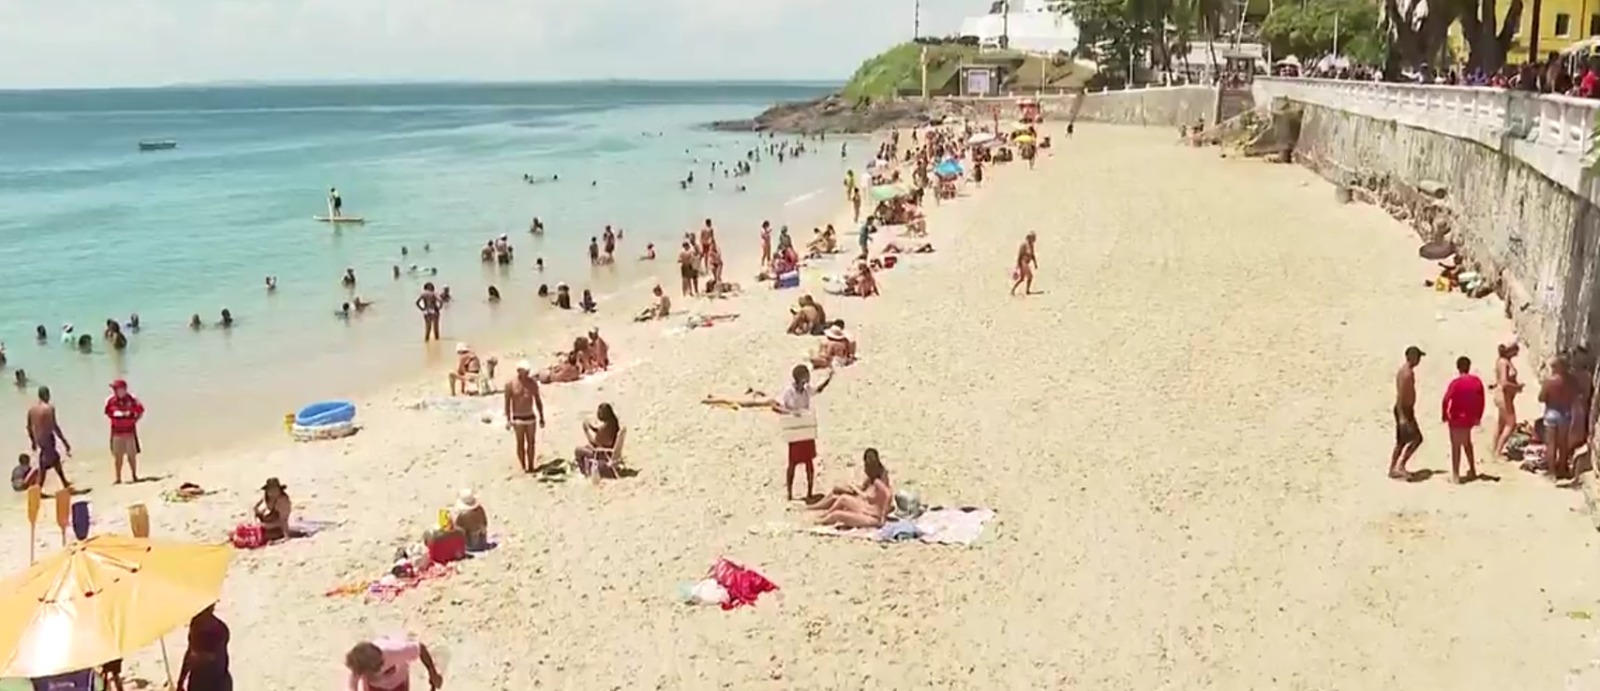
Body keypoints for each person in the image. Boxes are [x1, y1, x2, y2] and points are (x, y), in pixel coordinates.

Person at [776, 364, 833, 501]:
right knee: (793, 463)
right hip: (796, 428)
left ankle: (809, 491)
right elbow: (777, 406)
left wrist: (828, 379)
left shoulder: (806, 389)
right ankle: (789, 493)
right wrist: (793, 413)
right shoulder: (789, 391)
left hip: (806, 428)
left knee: (809, 462)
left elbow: (818, 390)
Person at [808, 448, 893, 528]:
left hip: (872, 517)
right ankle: (824, 516)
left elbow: (888, 494)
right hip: (868, 510)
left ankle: (820, 521)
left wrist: (883, 517)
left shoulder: (878, 481)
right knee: (842, 498)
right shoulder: (874, 477)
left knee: (837, 514)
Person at [1442, 356, 1486, 484]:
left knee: (1456, 446)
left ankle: (1456, 475)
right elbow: (1481, 400)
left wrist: (1444, 414)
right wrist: (1478, 416)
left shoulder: (1455, 383)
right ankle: (1472, 469)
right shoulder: (1477, 381)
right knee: (1467, 443)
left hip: (1456, 417)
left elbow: (1446, 399)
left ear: (1458, 367)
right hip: (1470, 418)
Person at [344, 637, 443, 691]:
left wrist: (432, 673)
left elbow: (420, 648)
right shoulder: (360, 664)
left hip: (398, 683)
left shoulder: (396, 651)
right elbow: (352, 686)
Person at [26, 386, 71, 492]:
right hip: (48, 439)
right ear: (47, 395)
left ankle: (64, 483)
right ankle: (38, 488)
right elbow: (54, 426)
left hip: (39, 440)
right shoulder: (49, 408)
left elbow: (28, 427)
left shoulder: (32, 410)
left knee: (54, 461)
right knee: (47, 463)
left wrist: (33, 441)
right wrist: (64, 441)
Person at [504, 360, 546, 473]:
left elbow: (538, 400)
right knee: (520, 443)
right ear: (519, 371)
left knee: (531, 442)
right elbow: (507, 403)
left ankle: (531, 466)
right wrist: (508, 419)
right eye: (525, 371)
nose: (527, 373)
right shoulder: (510, 384)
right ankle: (523, 466)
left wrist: (542, 416)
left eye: (528, 371)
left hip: (530, 416)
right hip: (518, 417)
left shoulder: (532, 383)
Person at [1390, 346, 1425, 480]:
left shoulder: (1405, 371)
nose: (1419, 360)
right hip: (1404, 410)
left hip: (1405, 409)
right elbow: (1401, 395)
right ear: (1412, 357)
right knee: (1417, 439)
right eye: (1418, 357)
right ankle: (1400, 466)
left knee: (1401, 441)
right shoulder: (1407, 374)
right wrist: (1402, 416)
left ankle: (1393, 468)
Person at [177, 604, 231, 691]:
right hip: (198, 681)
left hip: (217, 683)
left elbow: (215, 658)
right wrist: (181, 681)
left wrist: (197, 657)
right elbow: (190, 652)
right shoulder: (196, 623)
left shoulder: (219, 630)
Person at [1540, 356, 1577, 479]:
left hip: (1551, 412)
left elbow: (1541, 398)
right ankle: (1562, 468)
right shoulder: (1571, 380)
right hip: (1565, 412)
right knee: (1563, 443)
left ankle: (1551, 472)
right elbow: (1575, 394)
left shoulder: (1550, 381)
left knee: (1551, 444)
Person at [104, 379, 144, 484]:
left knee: (132, 456)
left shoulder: (132, 400)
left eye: (116, 389)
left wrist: (134, 420)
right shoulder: (111, 401)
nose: (115, 391)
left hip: (129, 432)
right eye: (114, 389)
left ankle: (134, 476)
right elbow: (108, 413)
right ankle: (118, 478)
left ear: (123, 389)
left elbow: (141, 410)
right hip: (116, 433)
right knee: (118, 457)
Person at [574, 403, 622, 479]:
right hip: (609, 451)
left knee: (578, 450)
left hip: (602, 454)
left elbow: (594, 444)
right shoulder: (613, 423)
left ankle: (583, 471)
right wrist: (592, 428)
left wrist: (586, 431)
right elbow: (601, 433)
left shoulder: (604, 428)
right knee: (586, 447)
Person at [1493, 339, 1524, 456]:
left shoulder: (1504, 361)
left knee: (1501, 423)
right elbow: (1504, 382)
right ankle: (1498, 451)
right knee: (1511, 424)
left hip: (1503, 395)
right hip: (1504, 395)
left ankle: (1494, 448)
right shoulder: (1504, 363)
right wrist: (1517, 387)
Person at [1010, 232, 1038, 296]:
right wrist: (1017, 265)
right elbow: (1020, 255)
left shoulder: (1031, 245)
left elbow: (1033, 255)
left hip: (1027, 263)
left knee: (1022, 278)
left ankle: (1013, 289)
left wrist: (1035, 263)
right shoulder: (1024, 245)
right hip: (1023, 263)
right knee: (1030, 276)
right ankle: (1027, 291)